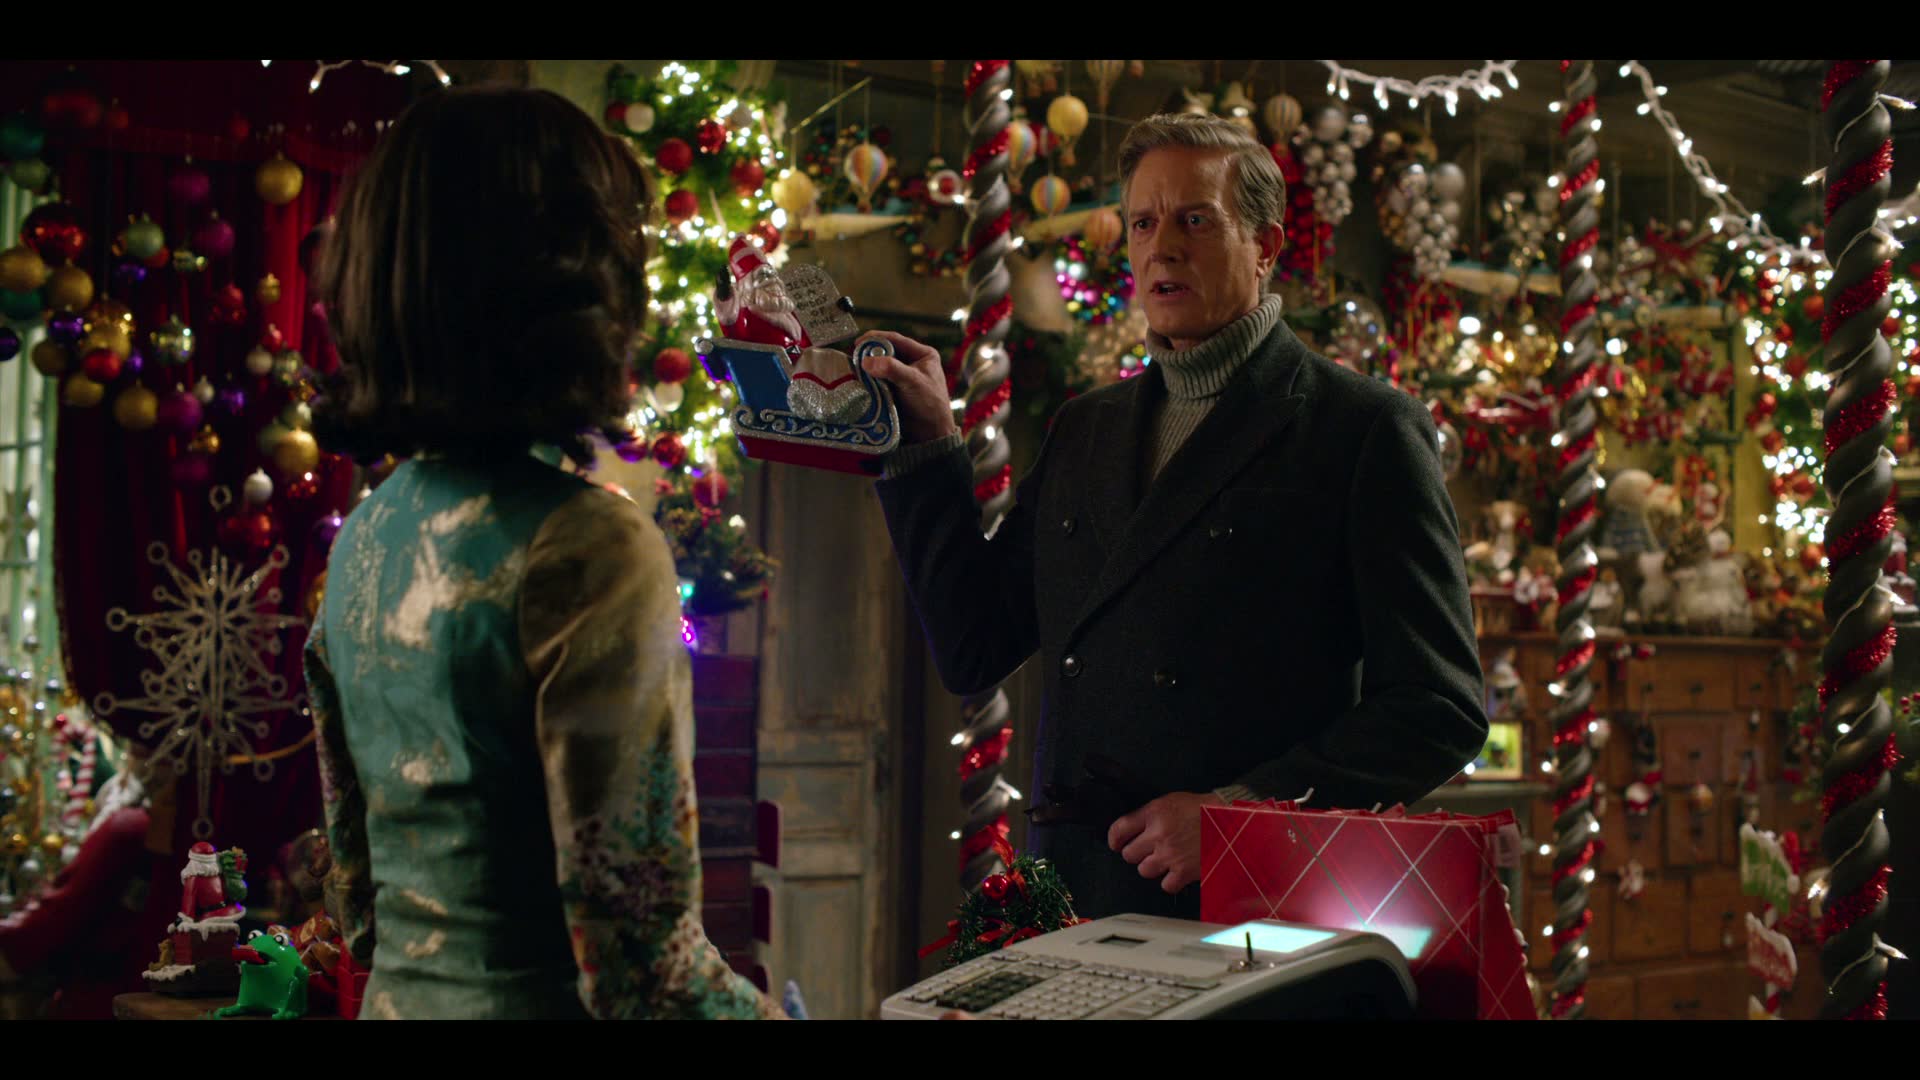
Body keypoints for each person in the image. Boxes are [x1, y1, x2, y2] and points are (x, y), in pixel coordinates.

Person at [862, 113, 1487, 922]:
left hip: (1255, 911)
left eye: (1195, 220)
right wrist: (929, 447)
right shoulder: (1086, 429)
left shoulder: (1362, 429)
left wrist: (1241, 814)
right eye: (1143, 223)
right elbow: (974, 644)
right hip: (1076, 898)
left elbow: (1439, 709)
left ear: (1265, 246)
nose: (1162, 247)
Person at [306, 87, 782, 1020]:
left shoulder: (366, 534)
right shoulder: (589, 547)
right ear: (573, 286)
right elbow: (646, 974)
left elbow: (358, 907)